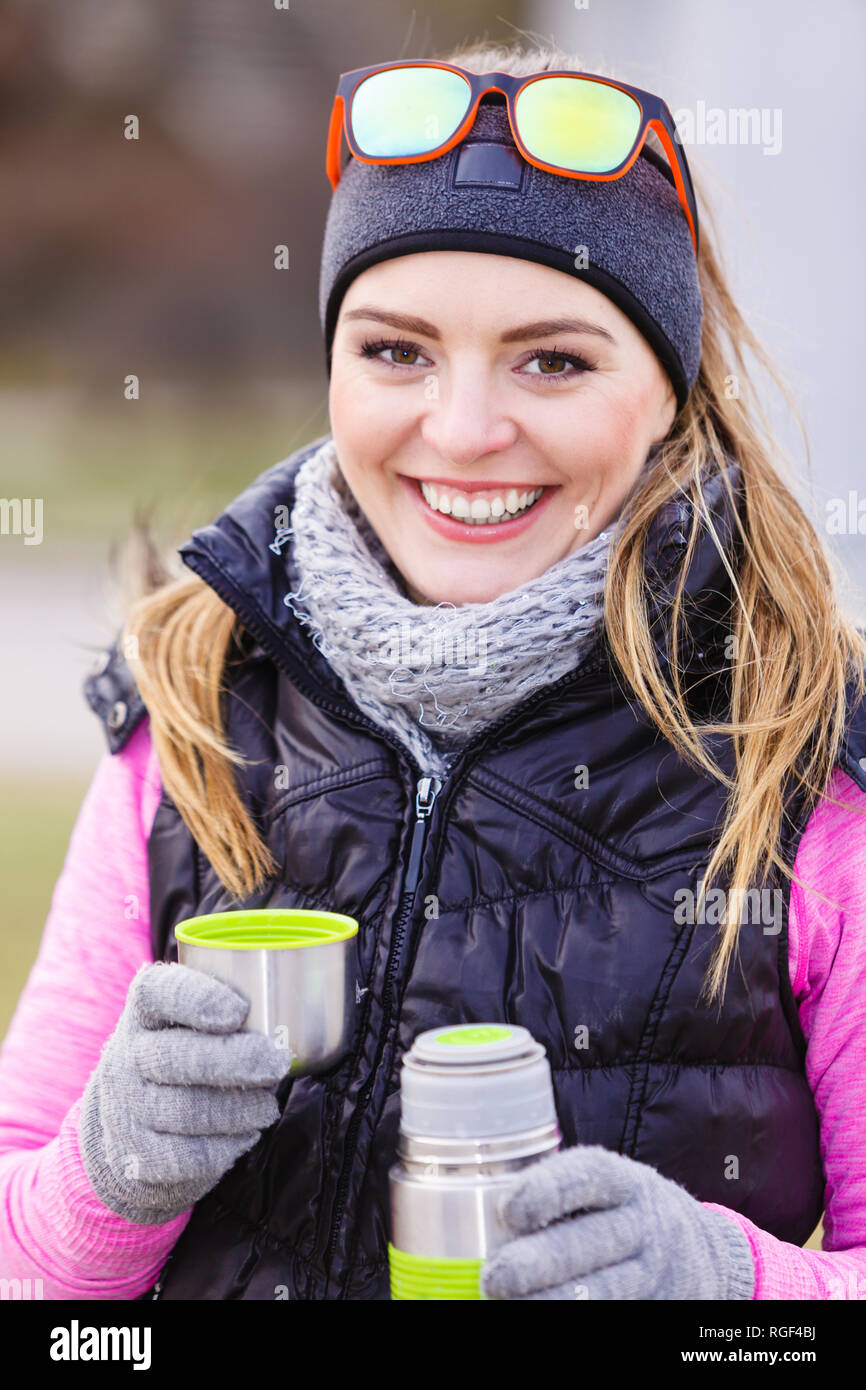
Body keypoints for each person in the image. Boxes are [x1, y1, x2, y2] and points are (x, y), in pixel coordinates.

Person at [1, 36, 866, 1302]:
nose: (461, 432)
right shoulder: (190, 709)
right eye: (396, 350)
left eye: (554, 360)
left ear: (670, 395)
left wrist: (723, 1293)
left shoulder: (804, 759)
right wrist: (104, 1181)